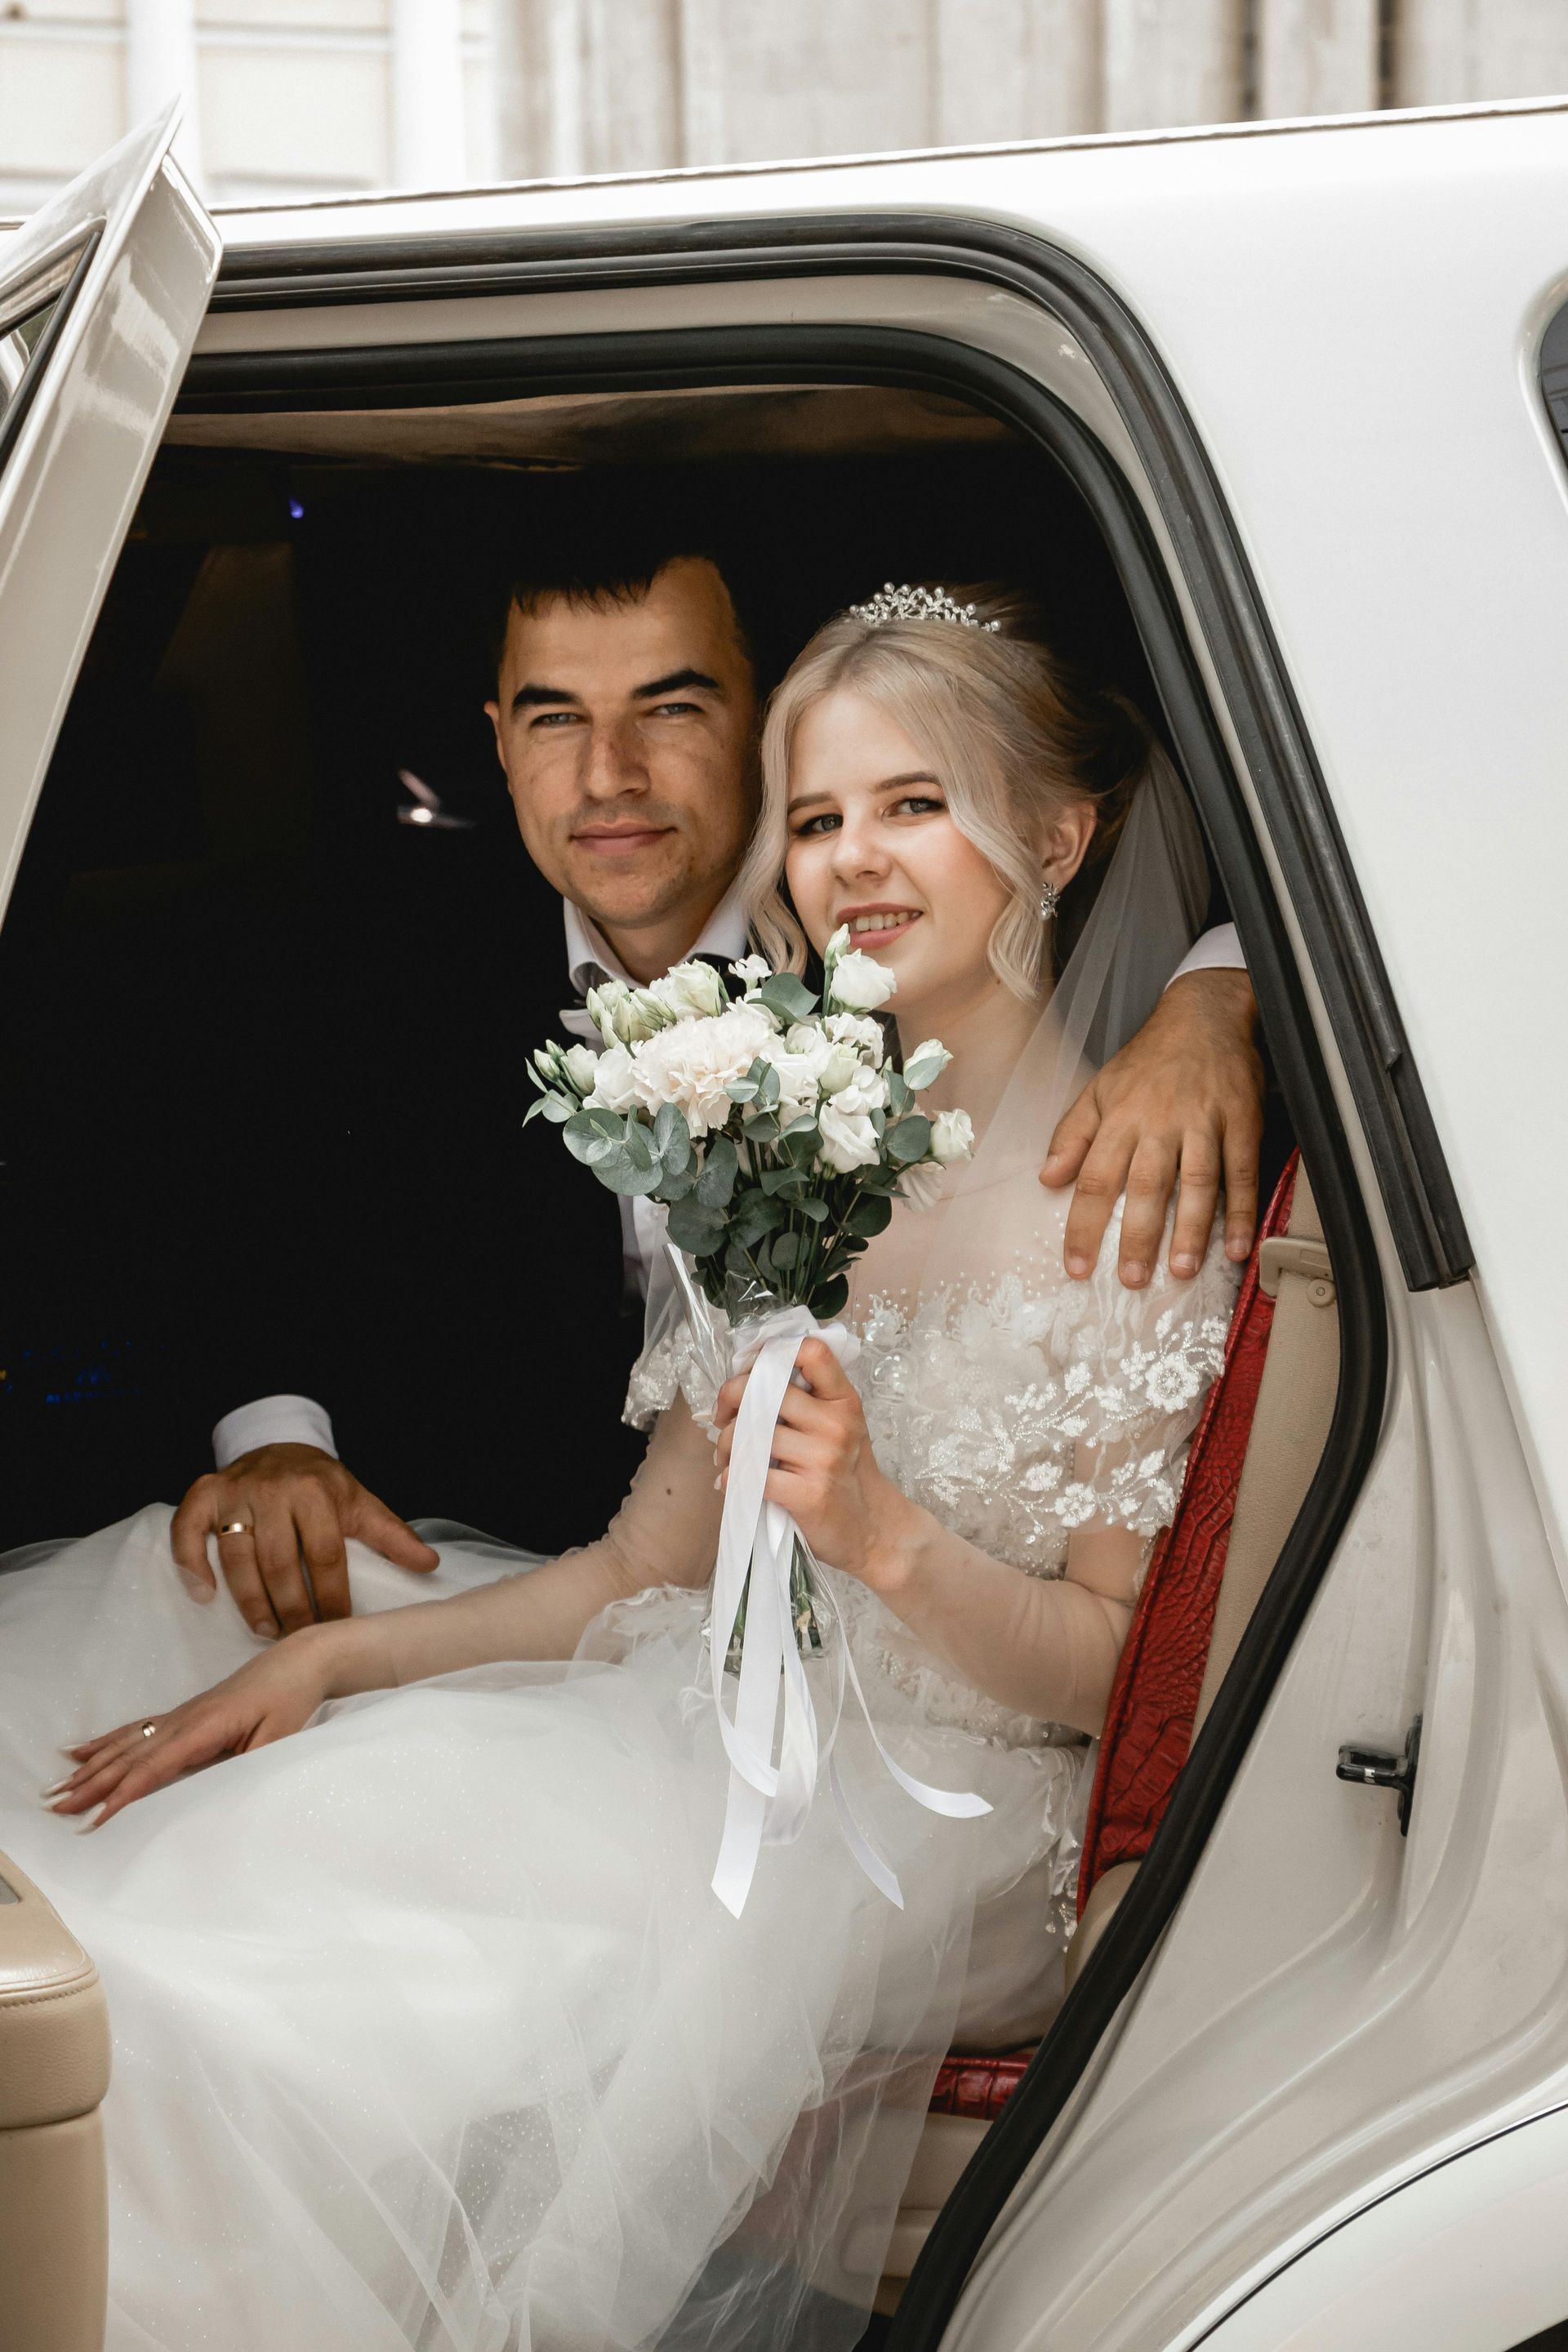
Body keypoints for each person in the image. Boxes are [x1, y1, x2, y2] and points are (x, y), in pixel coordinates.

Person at [1, 584, 1239, 2352]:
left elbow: (1126, 1682)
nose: (855, 862)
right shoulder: (802, 1148)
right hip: (681, 1709)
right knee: (210, 1857)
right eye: (818, 819)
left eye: (918, 804)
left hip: (931, 1815)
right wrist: (327, 1659)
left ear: (1056, 831)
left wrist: (883, 1542)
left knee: (253, 1974)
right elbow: (632, 1571)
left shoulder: (1137, 1193)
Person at [176, 515, 1264, 1639]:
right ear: (499, 740)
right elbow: (249, 1210)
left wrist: (1223, 990)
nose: (610, 775)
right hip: (500, 1575)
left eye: (671, 707)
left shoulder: (899, 960)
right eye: (557, 718)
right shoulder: (389, 958)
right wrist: (278, 1443)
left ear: (761, 724)